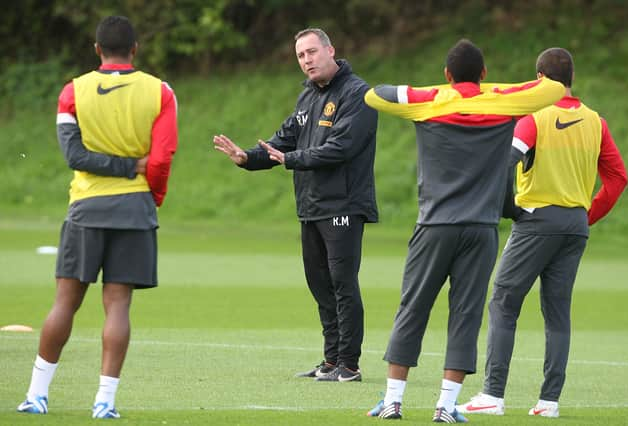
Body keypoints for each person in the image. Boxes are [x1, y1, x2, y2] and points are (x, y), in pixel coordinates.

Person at [363, 39, 566, 423]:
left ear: (446, 75)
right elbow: (552, 87)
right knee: (466, 315)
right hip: (482, 229)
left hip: (435, 226)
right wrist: (489, 93)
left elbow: (375, 95)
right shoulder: (505, 102)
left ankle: (392, 401)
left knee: (413, 308)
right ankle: (445, 406)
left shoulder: (430, 102)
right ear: (485, 74)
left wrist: (446, 94)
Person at [17, 15, 178, 419]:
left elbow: (75, 157)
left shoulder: (72, 91)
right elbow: (160, 159)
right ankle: (104, 402)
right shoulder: (160, 92)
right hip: (135, 209)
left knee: (65, 302)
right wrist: (149, 191)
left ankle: (37, 395)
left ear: (96, 50)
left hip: (86, 208)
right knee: (118, 305)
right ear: (135, 49)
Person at [456, 47, 628, 419]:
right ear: (571, 80)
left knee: (503, 301)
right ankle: (549, 402)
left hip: (536, 222)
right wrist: (586, 215)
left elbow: (505, 163)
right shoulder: (596, 121)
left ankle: (492, 394)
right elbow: (618, 178)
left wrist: (508, 209)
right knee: (557, 314)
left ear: (538, 80)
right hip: (574, 227)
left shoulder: (535, 116)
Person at [213, 28, 378, 382]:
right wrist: (247, 158)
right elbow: (282, 143)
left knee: (342, 283)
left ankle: (349, 364)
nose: (307, 60)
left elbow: (341, 148)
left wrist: (292, 159)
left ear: (331, 50)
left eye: (312, 52)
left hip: (344, 206)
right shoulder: (307, 97)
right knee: (319, 284)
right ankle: (331, 360)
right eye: (301, 55)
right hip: (311, 206)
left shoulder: (357, 94)